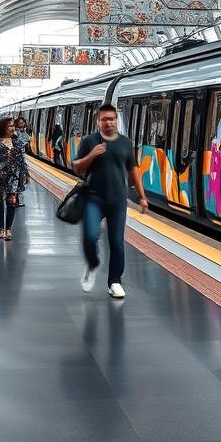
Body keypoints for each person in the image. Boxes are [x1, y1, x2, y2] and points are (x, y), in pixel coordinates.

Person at [74, 103, 147, 299]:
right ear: (98, 121)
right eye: (104, 119)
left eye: (111, 119)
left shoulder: (125, 143)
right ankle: (93, 263)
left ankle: (114, 281)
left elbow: (133, 169)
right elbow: (76, 167)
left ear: (116, 120)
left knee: (117, 243)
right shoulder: (89, 141)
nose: (108, 122)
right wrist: (92, 154)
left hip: (117, 200)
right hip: (93, 198)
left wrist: (141, 196)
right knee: (90, 237)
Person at [0, 117, 30, 240]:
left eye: (13, 126)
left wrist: (25, 173)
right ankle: (1, 229)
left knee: (12, 202)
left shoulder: (18, 142)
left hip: (14, 177)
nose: (12, 128)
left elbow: (22, 160)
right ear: (3, 127)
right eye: (10, 126)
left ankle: (8, 229)